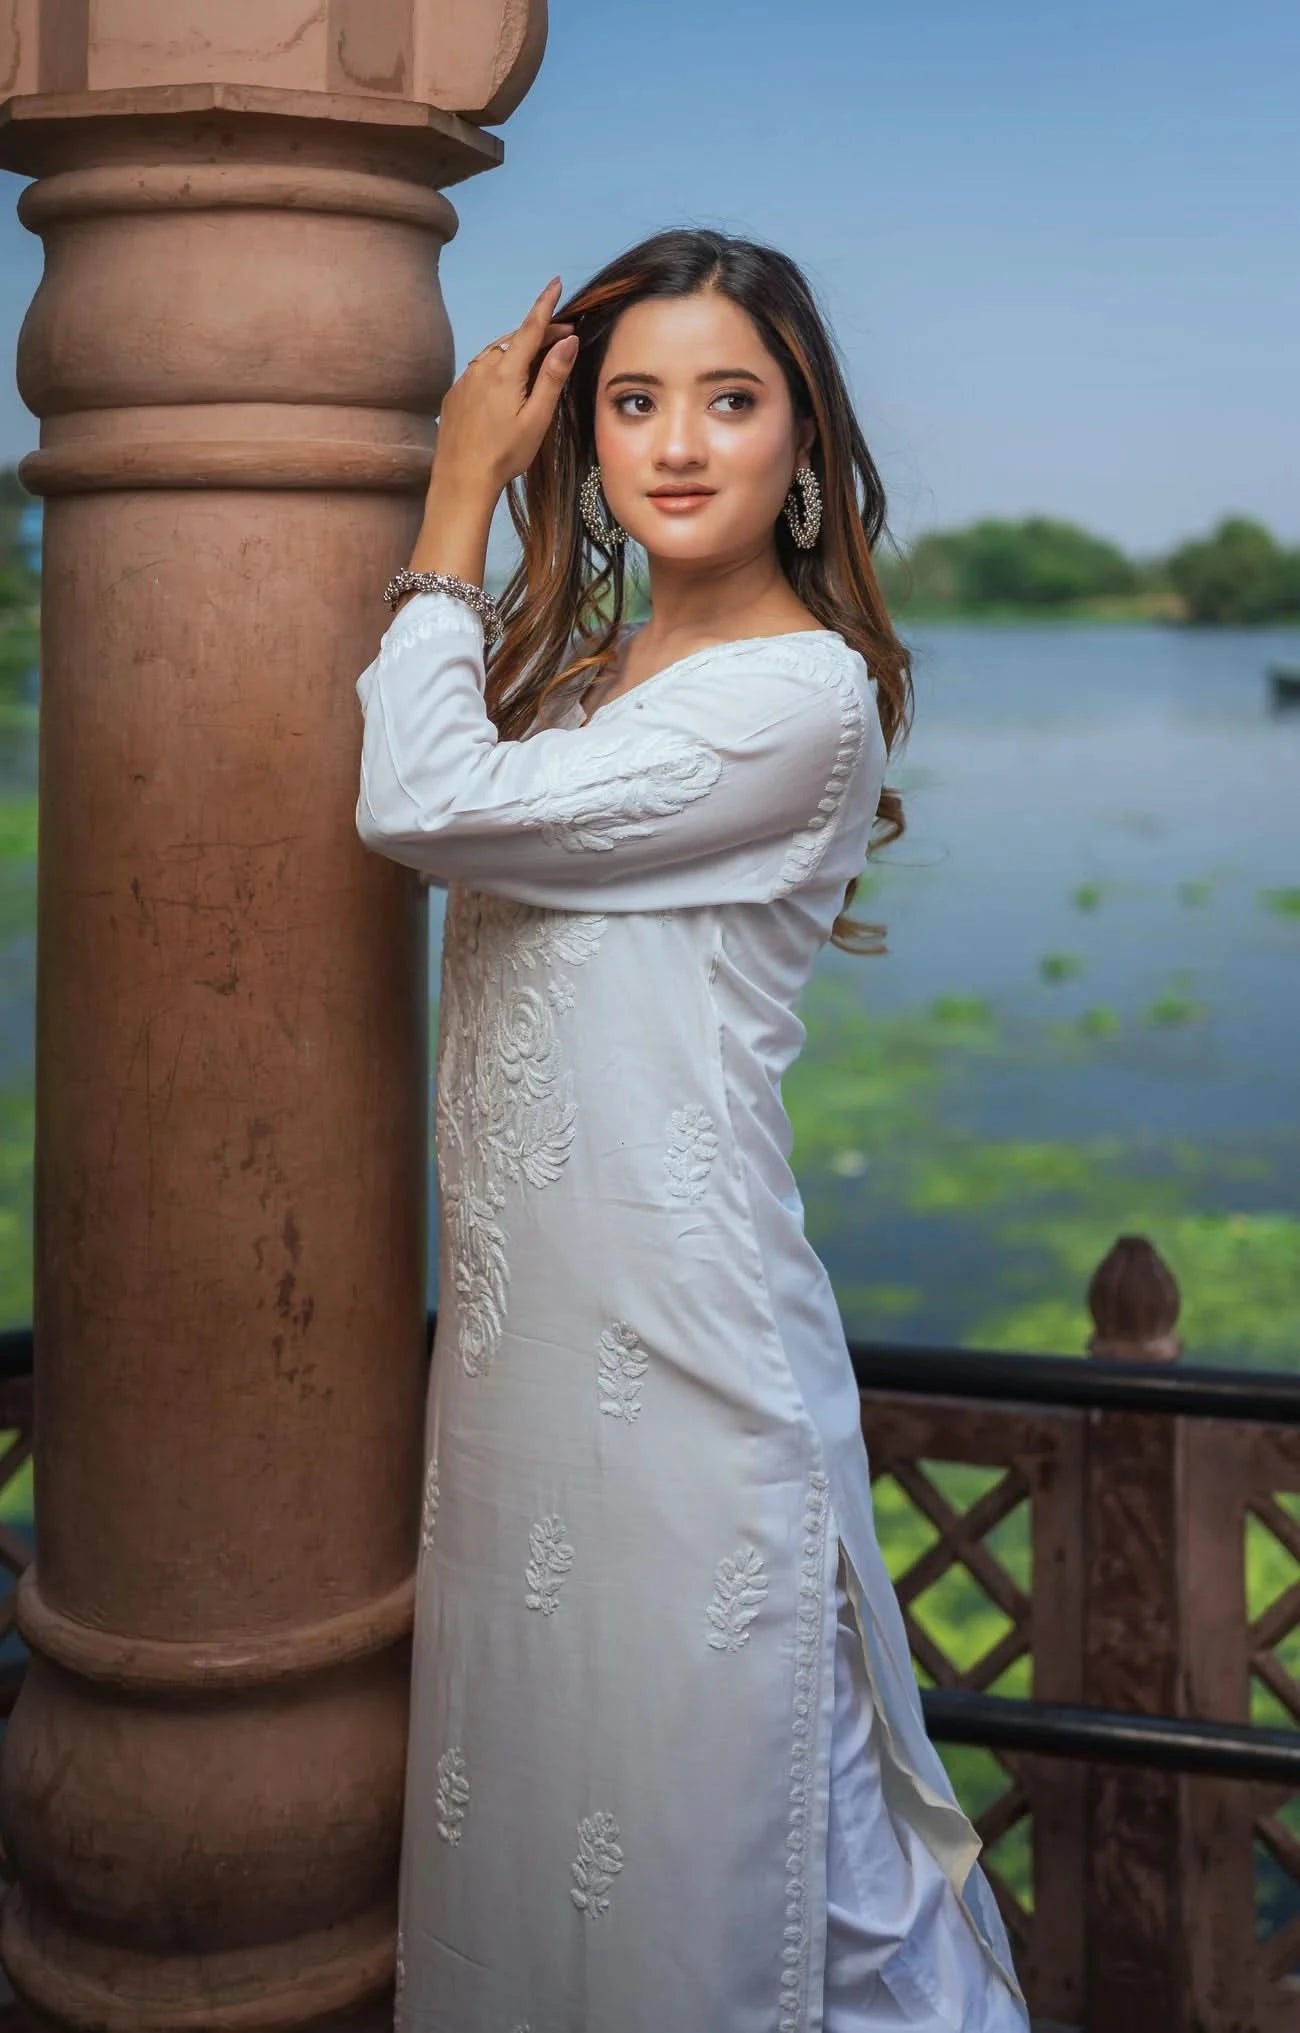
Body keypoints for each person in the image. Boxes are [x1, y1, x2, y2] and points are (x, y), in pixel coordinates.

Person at [354, 228, 1030, 2033]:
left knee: (763, 1848)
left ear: (804, 439)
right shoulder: (575, 693)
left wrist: (450, 494)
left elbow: (415, 797)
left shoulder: (797, 703)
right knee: (541, 1826)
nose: (675, 442)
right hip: (520, 1368)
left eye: (729, 400)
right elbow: (457, 780)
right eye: (634, 400)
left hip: (685, 1353)